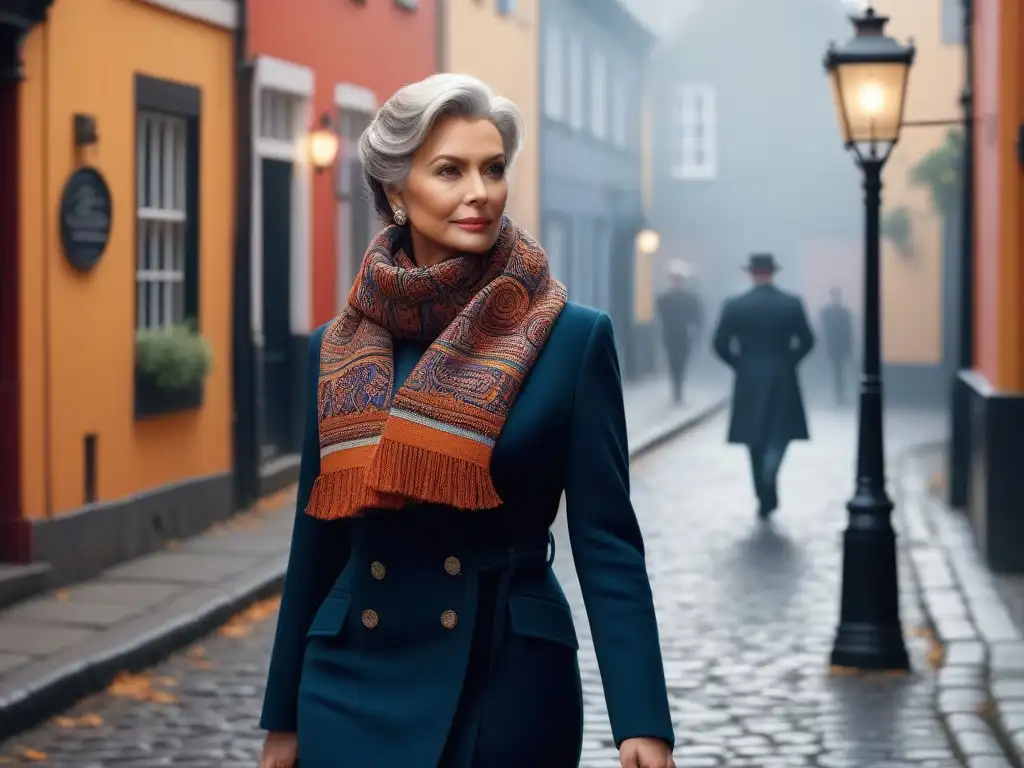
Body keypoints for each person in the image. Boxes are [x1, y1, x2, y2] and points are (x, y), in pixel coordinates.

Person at [257, 74, 675, 768]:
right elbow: (316, 541)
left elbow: (606, 541)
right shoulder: (336, 347)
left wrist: (643, 717)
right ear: (395, 190)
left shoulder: (571, 339)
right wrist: (282, 715)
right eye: (449, 170)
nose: (479, 191)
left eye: (494, 169)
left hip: (504, 673)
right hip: (349, 677)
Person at [711, 253, 814, 518]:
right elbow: (807, 341)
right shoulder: (791, 303)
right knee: (780, 433)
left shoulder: (735, 305)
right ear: (772, 272)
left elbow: (719, 343)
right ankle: (770, 475)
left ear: (751, 273)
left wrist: (739, 364)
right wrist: (789, 361)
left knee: (753, 437)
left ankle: (762, 491)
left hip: (748, 377)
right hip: (783, 374)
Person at [656, 260, 703, 404]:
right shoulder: (664, 299)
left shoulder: (689, 299)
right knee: (673, 362)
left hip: (683, 335)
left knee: (681, 362)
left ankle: (678, 388)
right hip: (671, 335)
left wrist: (696, 332)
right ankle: (676, 389)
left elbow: (697, 318)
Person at [820, 286, 854, 405]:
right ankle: (838, 392)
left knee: (839, 370)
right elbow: (825, 331)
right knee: (837, 370)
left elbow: (848, 331)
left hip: (840, 346)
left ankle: (839, 393)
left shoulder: (843, 312)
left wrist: (849, 349)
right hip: (833, 346)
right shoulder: (827, 312)